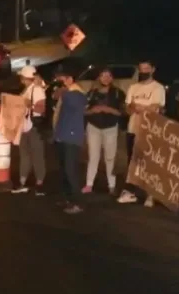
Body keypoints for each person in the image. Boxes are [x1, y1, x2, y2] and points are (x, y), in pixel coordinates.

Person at [117, 61, 166, 207]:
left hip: (150, 131)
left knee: (149, 163)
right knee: (133, 161)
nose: (143, 71)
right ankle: (130, 192)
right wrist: (135, 107)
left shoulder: (158, 88)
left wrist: (139, 107)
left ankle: (150, 195)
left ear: (153, 69)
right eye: (141, 69)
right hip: (133, 128)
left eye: (146, 69)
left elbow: (156, 107)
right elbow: (128, 107)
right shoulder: (133, 87)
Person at [83, 67, 126, 194]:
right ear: (99, 77)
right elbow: (83, 111)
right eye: (103, 75)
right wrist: (92, 110)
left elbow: (123, 112)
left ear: (112, 78)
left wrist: (110, 110)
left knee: (110, 157)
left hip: (111, 127)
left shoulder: (118, 93)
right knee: (93, 156)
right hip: (93, 127)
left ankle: (111, 185)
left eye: (108, 76)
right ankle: (89, 184)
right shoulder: (92, 93)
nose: (106, 78)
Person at [52, 66, 88, 213]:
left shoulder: (77, 94)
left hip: (72, 136)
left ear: (69, 79)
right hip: (62, 134)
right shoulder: (67, 93)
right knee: (64, 170)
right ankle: (67, 199)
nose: (58, 83)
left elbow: (60, 97)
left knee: (70, 170)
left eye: (61, 79)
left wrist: (62, 92)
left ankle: (77, 202)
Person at [12, 66, 48, 195]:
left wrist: (29, 106)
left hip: (34, 126)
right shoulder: (29, 89)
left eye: (21, 76)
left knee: (36, 156)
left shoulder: (36, 89)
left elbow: (42, 109)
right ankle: (23, 182)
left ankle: (39, 184)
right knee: (25, 155)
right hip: (25, 126)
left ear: (24, 78)